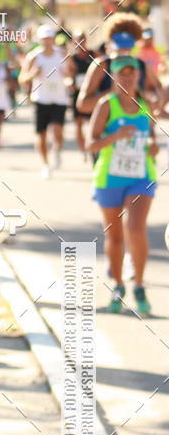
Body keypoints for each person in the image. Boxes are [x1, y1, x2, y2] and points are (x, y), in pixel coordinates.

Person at [87, 55, 158, 315]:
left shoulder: (145, 105)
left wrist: (152, 147)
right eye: (122, 73)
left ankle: (138, 284)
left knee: (135, 228)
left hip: (141, 176)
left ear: (138, 75)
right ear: (114, 76)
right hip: (109, 177)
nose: (127, 77)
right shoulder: (107, 105)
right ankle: (118, 285)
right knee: (115, 237)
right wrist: (116, 136)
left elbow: (151, 143)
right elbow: (90, 144)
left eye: (132, 73)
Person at [19, 23, 70, 179]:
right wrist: (33, 74)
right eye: (44, 39)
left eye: (49, 38)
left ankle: (57, 150)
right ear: (39, 40)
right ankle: (46, 165)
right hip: (41, 99)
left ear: (53, 39)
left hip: (59, 98)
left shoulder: (62, 54)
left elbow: (69, 74)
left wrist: (67, 77)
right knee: (41, 134)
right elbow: (22, 78)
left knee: (58, 132)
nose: (47, 41)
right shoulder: (33, 56)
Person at [66, 32, 95, 159]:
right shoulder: (71, 59)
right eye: (77, 41)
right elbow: (68, 76)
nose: (80, 43)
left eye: (82, 40)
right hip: (77, 94)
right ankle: (83, 150)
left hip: (92, 94)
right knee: (78, 124)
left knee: (93, 123)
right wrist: (69, 83)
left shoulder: (94, 55)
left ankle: (92, 147)